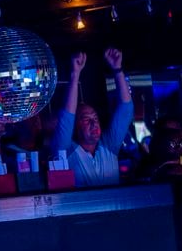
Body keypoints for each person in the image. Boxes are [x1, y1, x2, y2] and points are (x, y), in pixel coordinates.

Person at [51, 49, 134, 188]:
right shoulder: (65, 151)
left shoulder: (109, 146)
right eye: (85, 119)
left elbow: (126, 109)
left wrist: (117, 69)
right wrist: (75, 74)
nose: (93, 123)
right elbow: (67, 117)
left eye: (95, 118)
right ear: (75, 126)